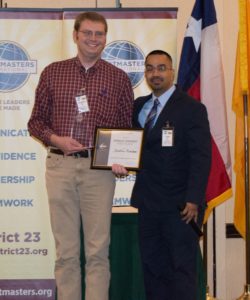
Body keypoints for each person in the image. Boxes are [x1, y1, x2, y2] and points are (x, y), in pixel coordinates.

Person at [28, 12, 133, 300]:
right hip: (60, 166)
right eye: (87, 33)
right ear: (75, 35)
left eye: (99, 34)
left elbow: (126, 126)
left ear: (105, 38)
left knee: (98, 250)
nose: (93, 39)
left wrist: (122, 156)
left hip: (99, 171)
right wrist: (55, 139)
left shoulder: (119, 78)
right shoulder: (53, 72)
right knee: (66, 252)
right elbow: (35, 122)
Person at [112, 50, 211, 300]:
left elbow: (201, 157)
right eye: (150, 68)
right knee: (153, 269)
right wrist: (118, 160)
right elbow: (133, 146)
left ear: (172, 71)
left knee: (181, 270)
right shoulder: (139, 106)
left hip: (181, 205)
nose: (155, 73)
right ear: (145, 72)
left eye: (161, 68)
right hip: (148, 203)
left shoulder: (192, 108)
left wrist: (193, 198)